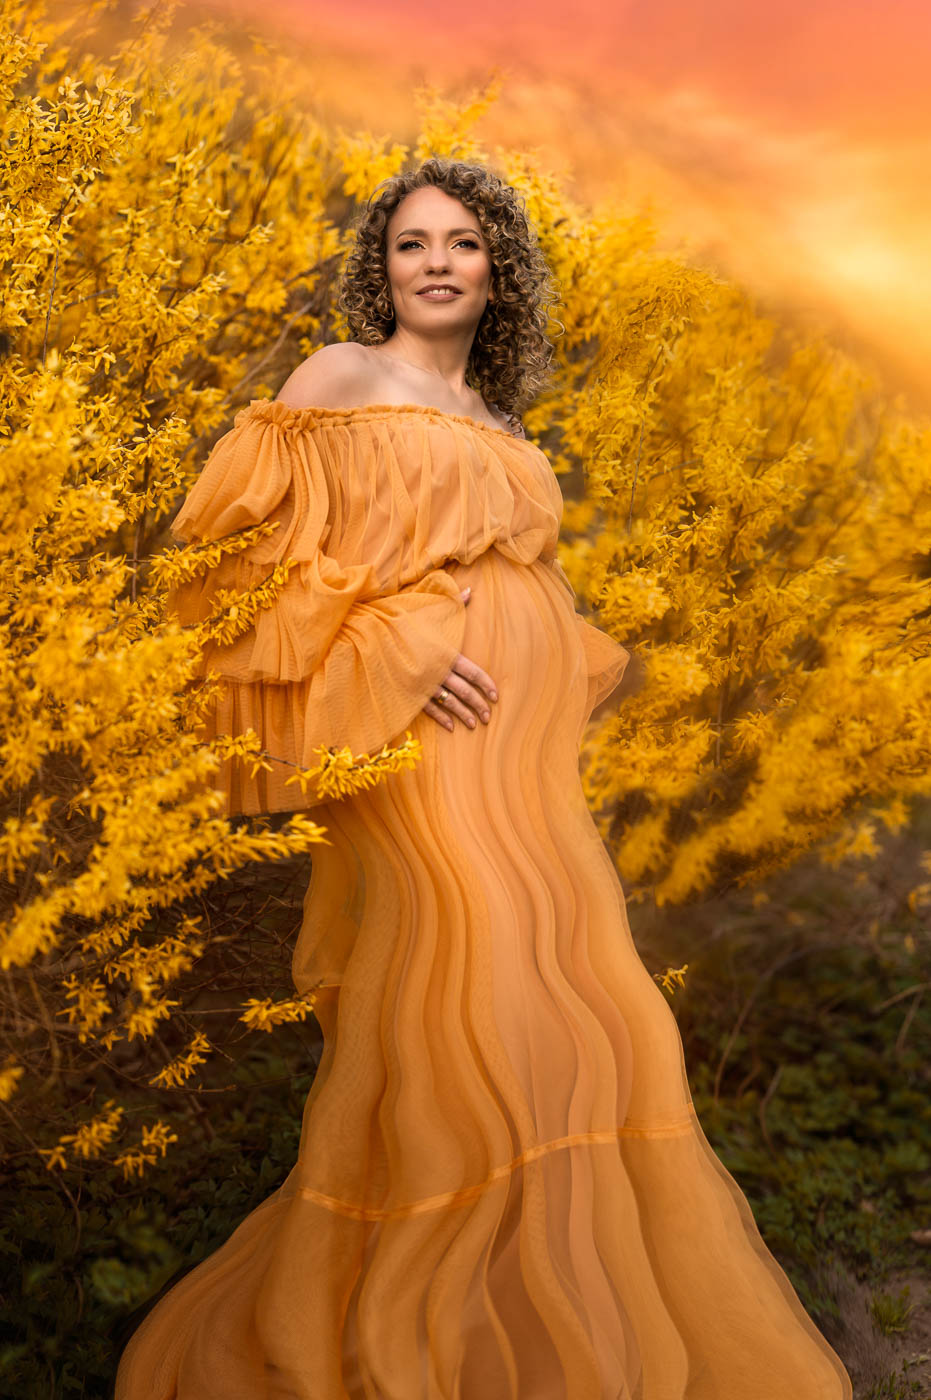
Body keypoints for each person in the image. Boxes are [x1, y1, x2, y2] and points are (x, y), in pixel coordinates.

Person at [114, 157, 853, 1398]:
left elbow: (516, 589)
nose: (436, 262)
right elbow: (237, 573)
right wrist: (391, 645)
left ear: (497, 270)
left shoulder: (505, 428)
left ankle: (518, 1332)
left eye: (461, 241)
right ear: (382, 268)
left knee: (584, 1016)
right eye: (410, 243)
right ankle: (404, 1339)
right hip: (407, 747)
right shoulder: (340, 378)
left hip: (521, 766)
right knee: (473, 993)